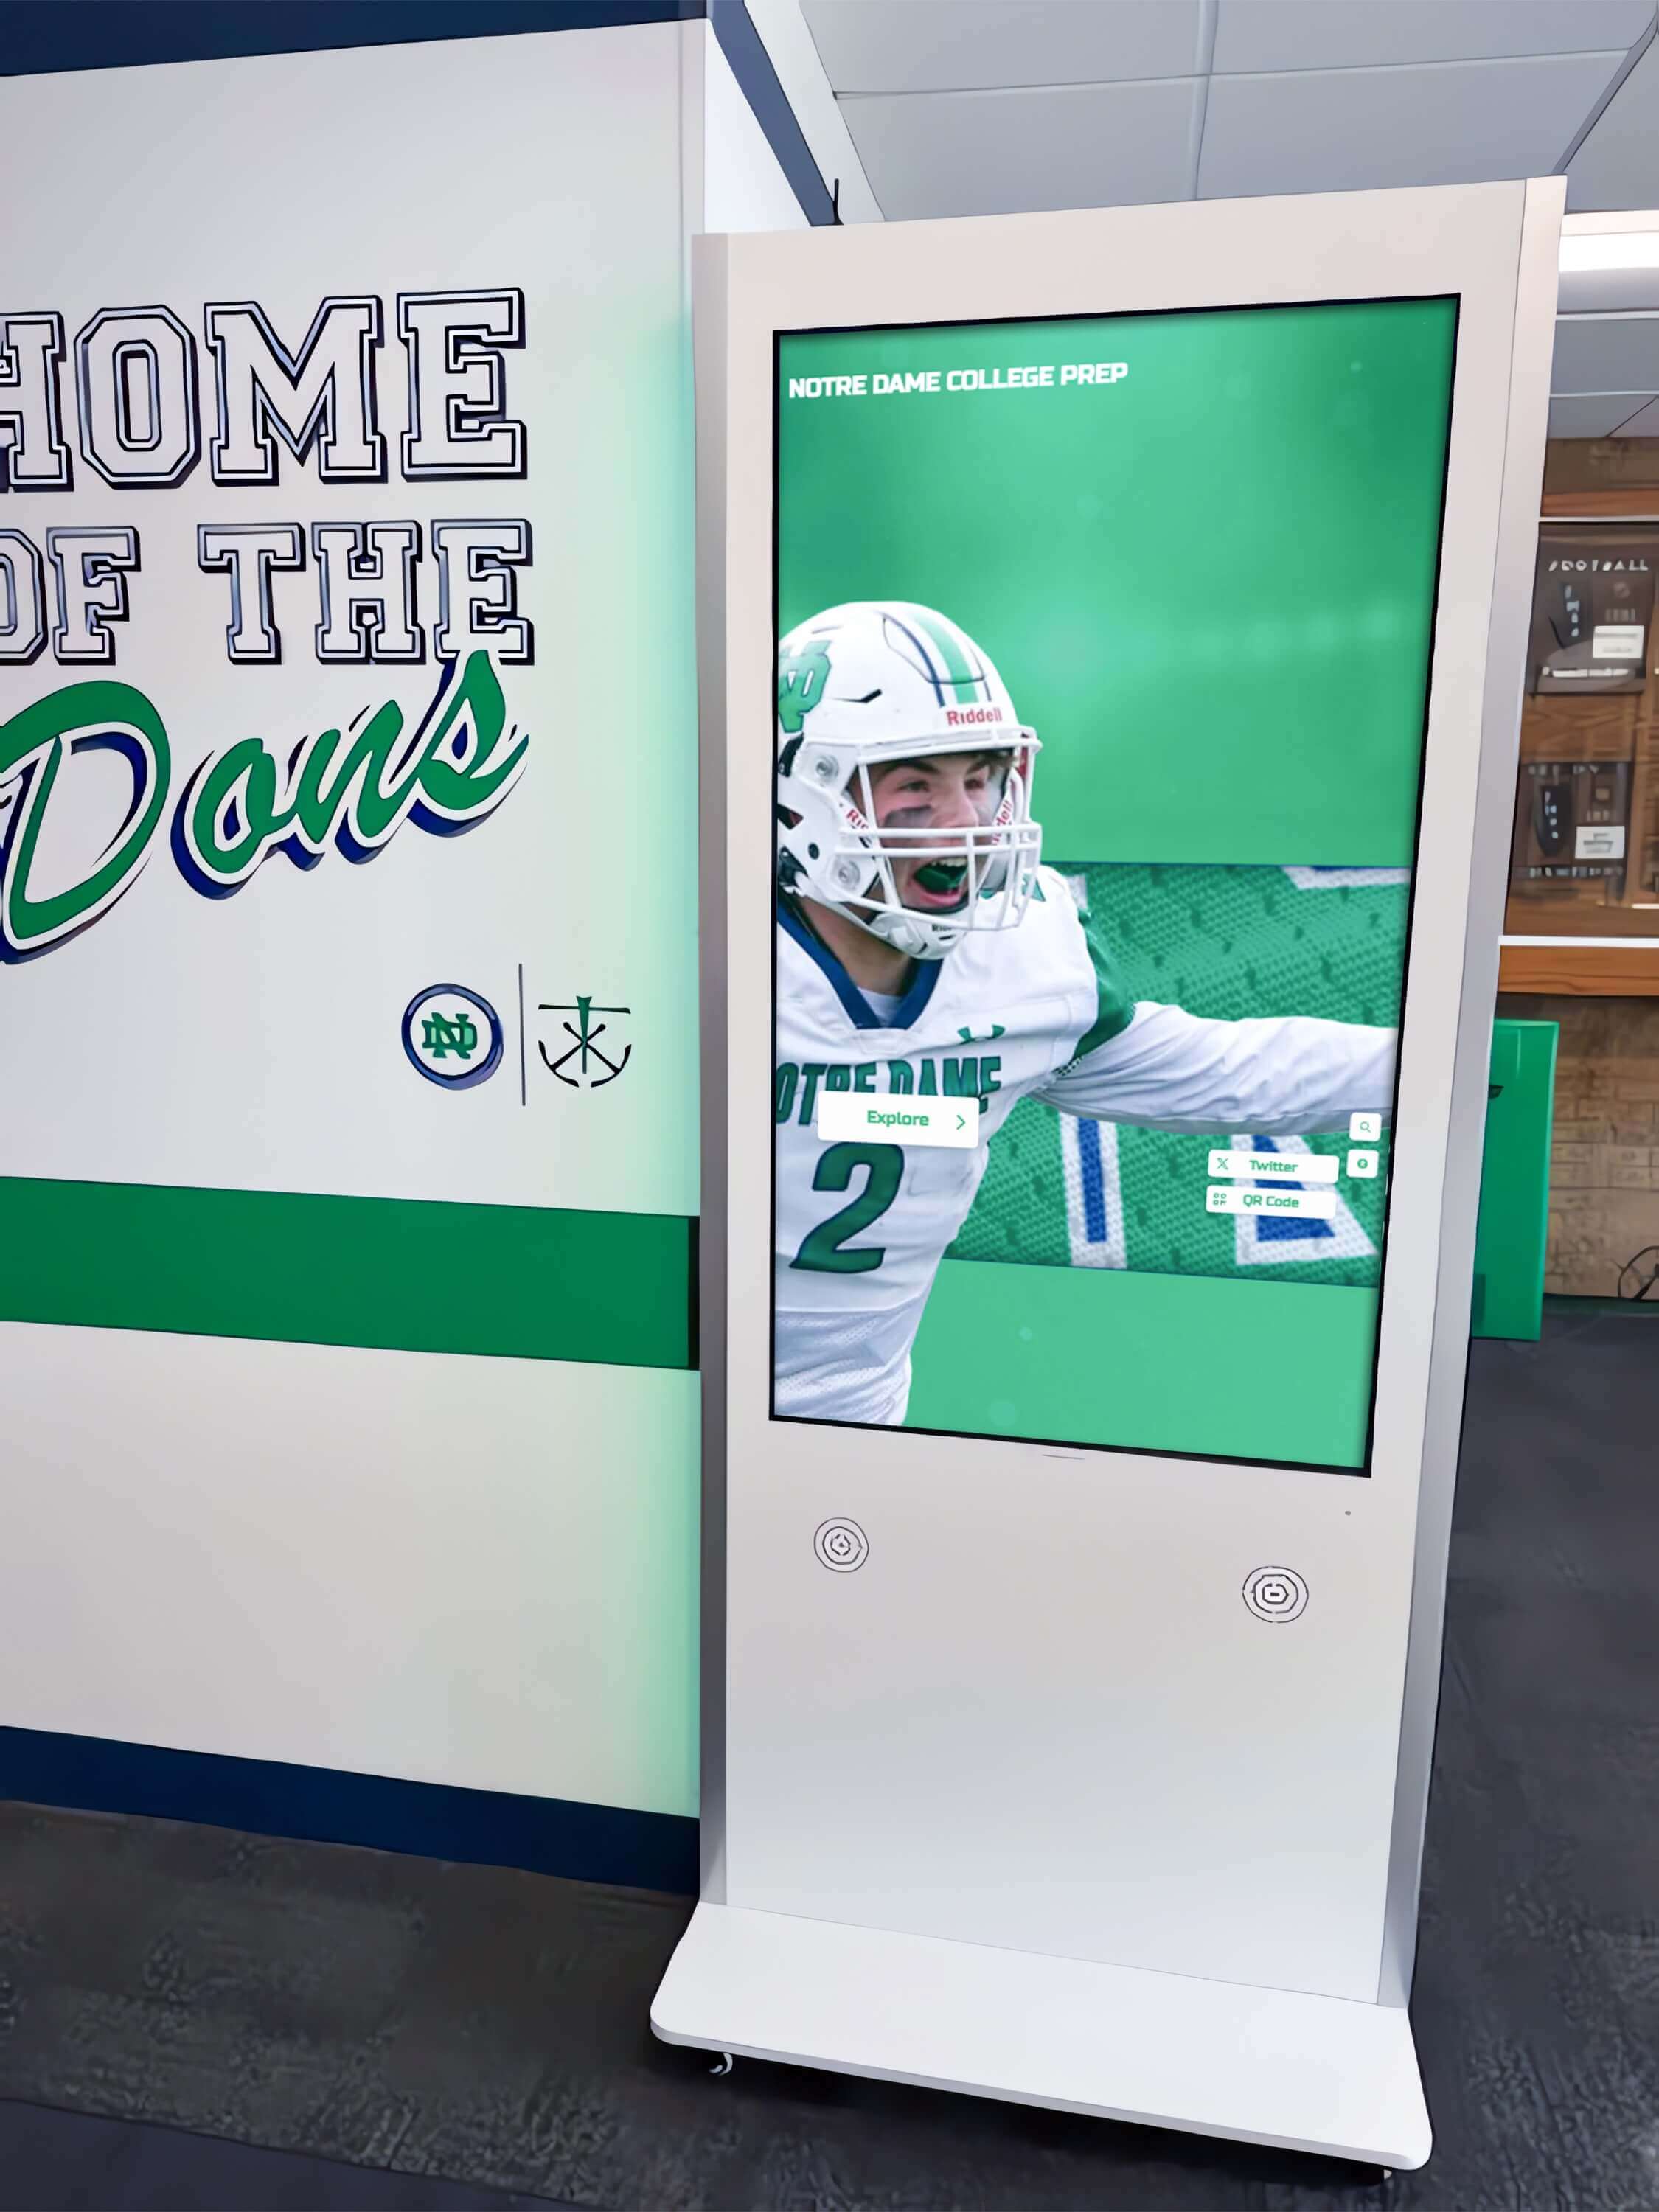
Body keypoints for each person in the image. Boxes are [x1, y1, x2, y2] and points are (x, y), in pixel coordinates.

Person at [774, 599, 1397, 1427]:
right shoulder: (703, 953)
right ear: (805, 797)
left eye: (979, 779)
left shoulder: (1023, 955)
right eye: (916, 785)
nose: (966, 822)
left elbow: (1225, 1073)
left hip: (861, 1411)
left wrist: (1429, 1062)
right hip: (671, 1394)